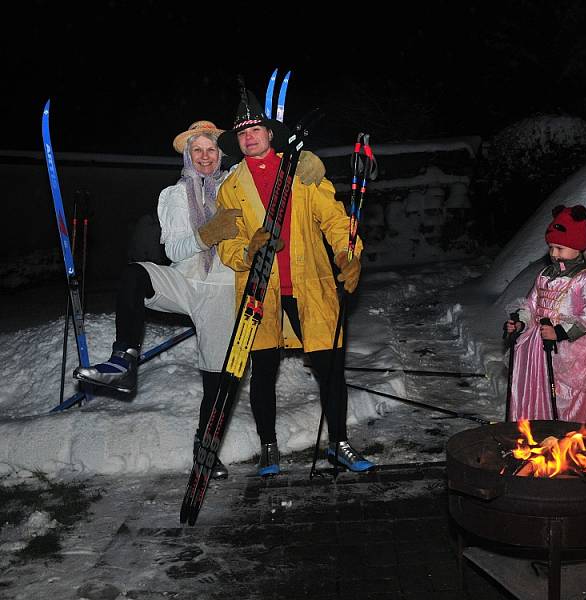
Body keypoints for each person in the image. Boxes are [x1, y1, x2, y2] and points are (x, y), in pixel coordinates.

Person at [73, 120, 322, 479]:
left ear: (221, 153)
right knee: (134, 274)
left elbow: (267, 159)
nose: (205, 157)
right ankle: (123, 360)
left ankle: (205, 450)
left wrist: (304, 160)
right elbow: (173, 248)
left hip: (223, 287)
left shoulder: (235, 182)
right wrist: (207, 234)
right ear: (189, 156)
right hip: (184, 278)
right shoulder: (173, 195)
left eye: (211, 149)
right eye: (197, 150)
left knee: (217, 383)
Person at [215, 87, 374, 475]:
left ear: (270, 134)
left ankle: (338, 442)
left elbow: (335, 220)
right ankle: (269, 448)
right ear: (237, 142)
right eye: (242, 132)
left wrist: (348, 253)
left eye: (256, 128)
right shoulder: (229, 188)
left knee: (330, 368)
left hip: (311, 285)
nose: (249, 136)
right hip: (260, 292)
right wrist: (248, 252)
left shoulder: (302, 171)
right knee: (263, 371)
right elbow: (227, 247)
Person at [504, 204, 586, 424]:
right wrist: (520, 323)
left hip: (569, 349)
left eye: (559, 248)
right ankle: (538, 436)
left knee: (566, 400)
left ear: (577, 246)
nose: (553, 253)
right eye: (551, 248)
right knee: (537, 392)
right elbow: (531, 304)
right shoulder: (544, 275)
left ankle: (569, 443)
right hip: (538, 350)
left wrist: (559, 332)